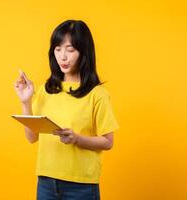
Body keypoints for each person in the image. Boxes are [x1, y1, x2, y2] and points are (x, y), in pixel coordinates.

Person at [14, 19, 119, 200]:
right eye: (57, 49)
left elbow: (108, 142)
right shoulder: (46, 90)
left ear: (84, 52)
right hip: (46, 182)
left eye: (70, 50)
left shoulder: (97, 93)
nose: (63, 56)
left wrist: (77, 139)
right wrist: (26, 102)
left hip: (81, 186)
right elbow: (31, 137)